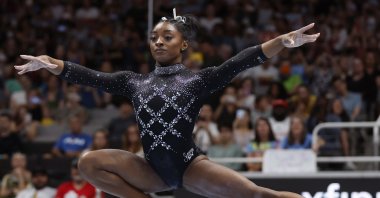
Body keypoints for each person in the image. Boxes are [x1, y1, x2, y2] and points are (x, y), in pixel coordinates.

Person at [14, 8, 319, 198]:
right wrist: (51, 63)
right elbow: (91, 77)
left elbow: (238, 63)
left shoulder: (197, 81)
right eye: (154, 37)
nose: (158, 41)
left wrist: (281, 41)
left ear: (183, 44)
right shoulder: (134, 82)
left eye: (167, 37)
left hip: (190, 166)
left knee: (258, 195)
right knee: (89, 163)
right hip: (151, 169)